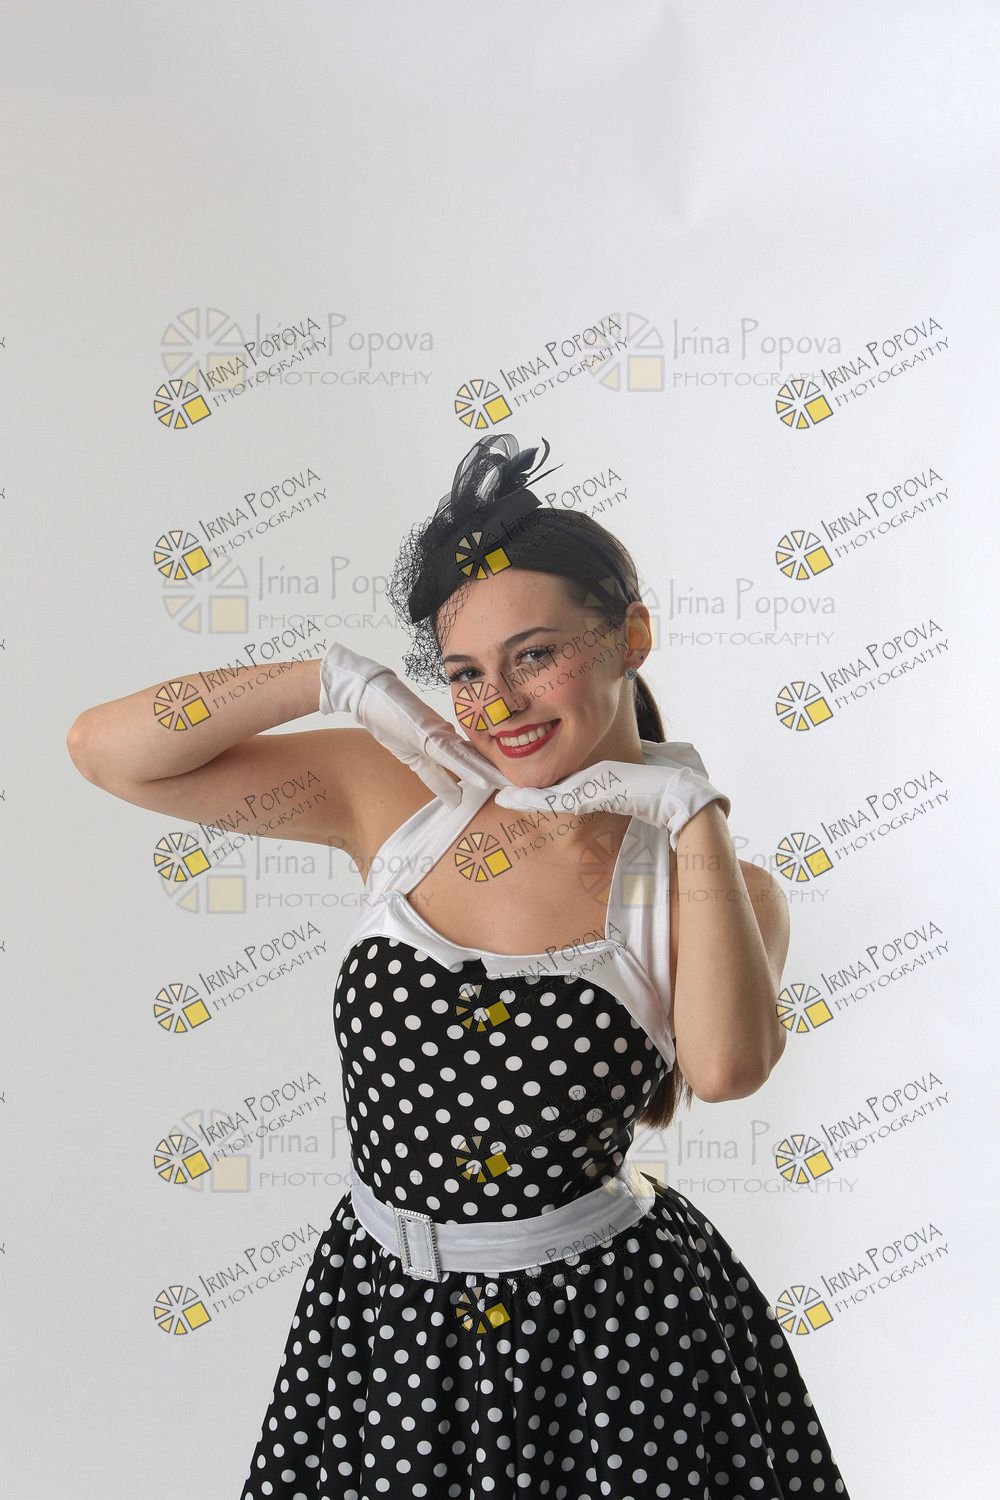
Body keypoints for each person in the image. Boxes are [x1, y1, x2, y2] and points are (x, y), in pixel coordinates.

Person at [66, 433, 853, 1499]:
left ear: (630, 637)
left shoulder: (717, 885)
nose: (501, 704)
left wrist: (688, 809)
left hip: (605, 1340)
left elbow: (725, 1070)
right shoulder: (398, 801)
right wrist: (332, 680)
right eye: (467, 673)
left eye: (534, 655)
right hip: (377, 1317)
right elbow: (106, 750)